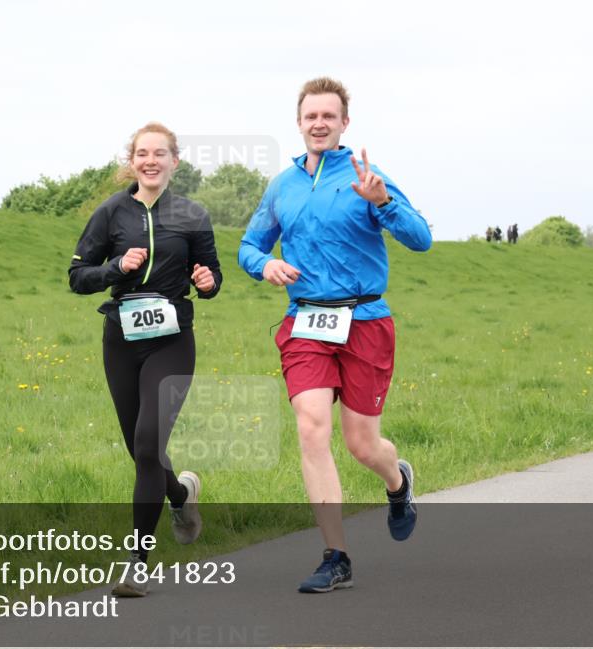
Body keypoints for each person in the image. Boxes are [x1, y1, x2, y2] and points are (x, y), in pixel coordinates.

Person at [238, 77, 431, 593]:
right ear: (298, 124)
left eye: (329, 116)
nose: (318, 124)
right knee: (311, 428)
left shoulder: (368, 176)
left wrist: (384, 201)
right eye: (310, 117)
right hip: (306, 322)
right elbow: (249, 246)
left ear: (345, 122)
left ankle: (398, 481)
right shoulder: (282, 186)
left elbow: (421, 239)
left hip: (365, 321)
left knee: (363, 444)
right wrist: (265, 266)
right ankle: (336, 555)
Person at [69, 122, 222, 597]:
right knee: (142, 451)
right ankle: (180, 495)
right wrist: (118, 268)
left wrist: (207, 282)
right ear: (131, 162)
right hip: (122, 338)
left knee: (150, 440)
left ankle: (137, 560)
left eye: (160, 153)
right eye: (142, 154)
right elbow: (78, 276)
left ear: (175, 160)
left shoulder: (192, 215)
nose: (150, 160)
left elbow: (213, 274)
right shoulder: (110, 213)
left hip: (172, 339)